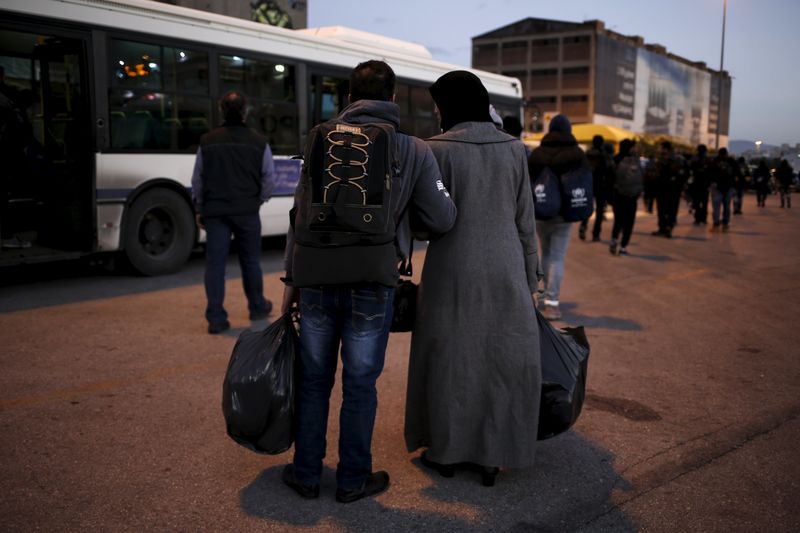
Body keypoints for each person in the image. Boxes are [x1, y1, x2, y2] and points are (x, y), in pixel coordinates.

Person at [280, 60, 457, 503]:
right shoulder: (413, 149)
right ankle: (352, 478)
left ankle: (305, 474)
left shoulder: (319, 137)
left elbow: (298, 216)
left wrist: (291, 282)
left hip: (317, 277)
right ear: (393, 98)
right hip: (373, 281)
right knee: (360, 382)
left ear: (349, 97)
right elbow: (441, 217)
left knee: (315, 379)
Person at [405, 70, 540, 487]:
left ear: (450, 106)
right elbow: (525, 222)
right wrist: (531, 279)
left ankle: (445, 453)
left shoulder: (434, 150)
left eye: (439, 105)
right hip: (506, 270)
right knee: (497, 362)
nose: (437, 112)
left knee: (450, 360)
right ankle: (490, 456)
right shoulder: (515, 150)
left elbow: (426, 225)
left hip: (450, 271)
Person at [191, 91, 276, 334]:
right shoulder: (259, 142)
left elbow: (198, 179)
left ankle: (216, 318)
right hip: (247, 212)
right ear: (245, 111)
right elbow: (268, 178)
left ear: (221, 110)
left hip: (216, 212)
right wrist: (257, 200)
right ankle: (258, 306)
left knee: (215, 264)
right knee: (250, 261)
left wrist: (200, 207)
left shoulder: (207, 141)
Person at [529, 114, 590, 320]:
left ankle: (544, 295)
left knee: (545, 254)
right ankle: (552, 304)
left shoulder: (537, 153)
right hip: (564, 214)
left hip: (541, 209)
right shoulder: (576, 154)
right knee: (557, 257)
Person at [609, 139, 644, 256]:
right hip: (632, 197)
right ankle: (623, 247)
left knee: (618, 220)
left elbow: (611, 178)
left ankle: (614, 239)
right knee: (629, 222)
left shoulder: (616, 158)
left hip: (618, 195)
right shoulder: (635, 160)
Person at [579, 134, 614, 242]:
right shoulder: (604, 155)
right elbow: (610, 170)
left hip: (589, 185)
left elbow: (582, 169)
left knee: (588, 208)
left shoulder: (587, 154)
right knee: (599, 211)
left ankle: (583, 226)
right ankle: (596, 234)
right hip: (601, 186)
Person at [650, 141, 684, 238]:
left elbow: (656, 173)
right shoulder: (676, 159)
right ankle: (666, 228)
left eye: (660, 147)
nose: (659, 149)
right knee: (667, 209)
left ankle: (665, 228)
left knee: (665, 209)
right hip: (668, 189)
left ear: (665, 149)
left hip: (667, 188)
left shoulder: (666, 159)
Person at [709, 147, 740, 232]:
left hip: (717, 187)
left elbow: (710, 173)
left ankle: (716, 225)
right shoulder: (732, 161)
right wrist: (734, 186)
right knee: (727, 207)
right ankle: (725, 225)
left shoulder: (714, 161)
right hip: (728, 187)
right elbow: (737, 173)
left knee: (716, 208)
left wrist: (712, 182)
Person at [689, 144, 712, 224]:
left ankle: (698, 218)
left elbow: (691, 171)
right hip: (703, 185)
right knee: (703, 202)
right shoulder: (708, 160)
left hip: (697, 184)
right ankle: (702, 218)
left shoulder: (695, 159)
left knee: (697, 202)